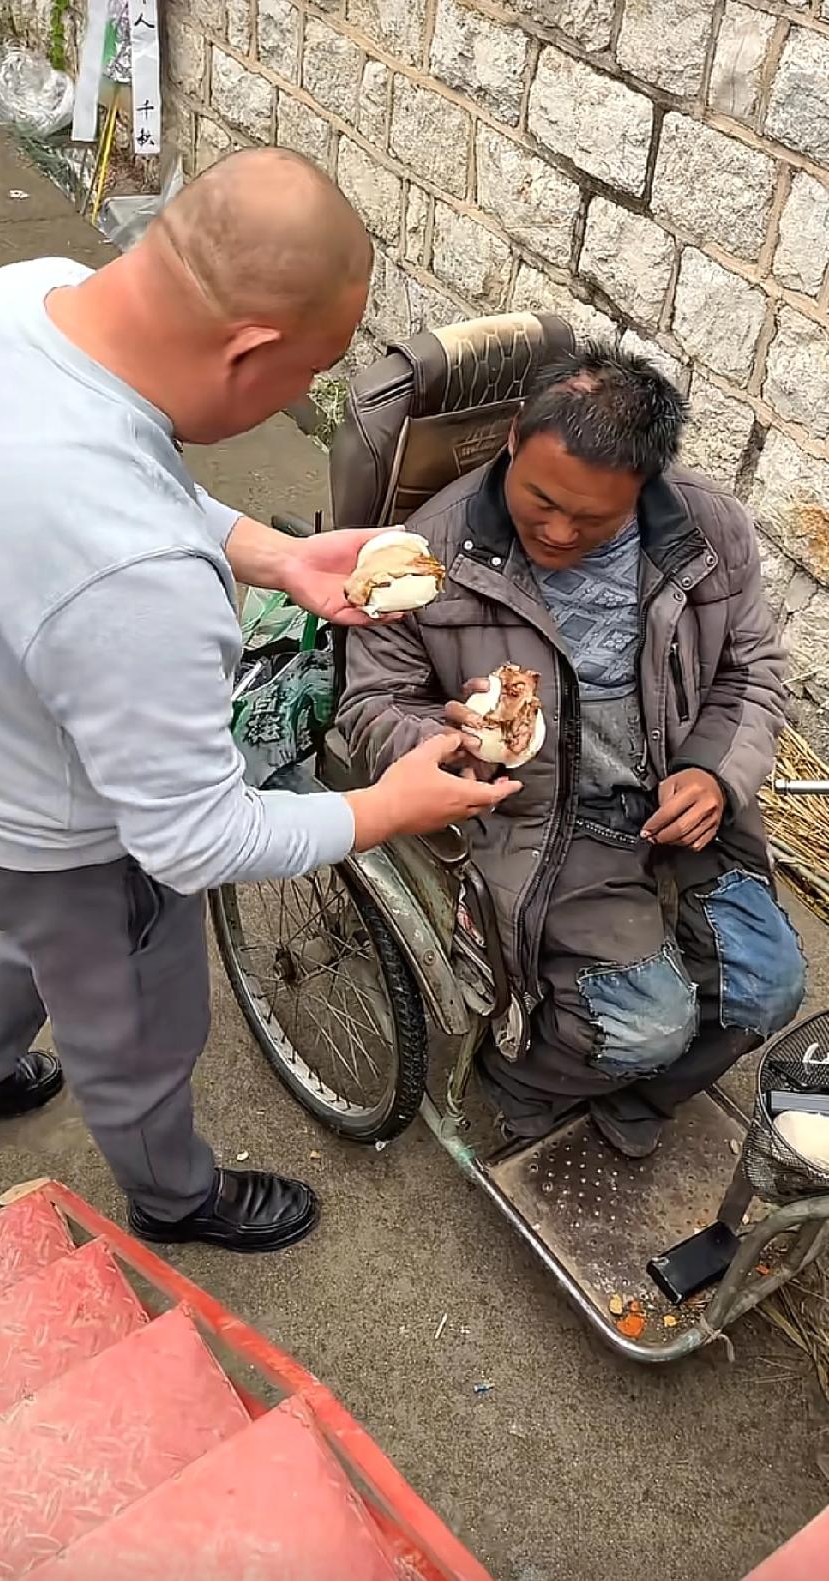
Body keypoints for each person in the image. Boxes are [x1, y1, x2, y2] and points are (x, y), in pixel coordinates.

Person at [0, 148, 519, 1251]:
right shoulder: (133, 584)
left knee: (37, 941)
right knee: (136, 1034)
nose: (307, 399)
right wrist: (390, 808)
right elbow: (191, 838)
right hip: (70, 833)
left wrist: (264, 554)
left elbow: (123, 468)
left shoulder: (10, 305)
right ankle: (174, 1198)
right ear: (249, 350)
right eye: (310, 375)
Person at [338, 345, 806, 1159]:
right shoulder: (428, 553)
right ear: (516, 437)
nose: (558, 532)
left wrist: (715, 774)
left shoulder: (707, 529)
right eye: (541, 502)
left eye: (594, 521)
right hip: (541, 820)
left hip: (674, 806)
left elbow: (754, 672)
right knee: (646, 1023)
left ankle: (638, 1096)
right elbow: (373, 702)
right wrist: (452, 750)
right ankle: (526, 1081)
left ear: (646, 485)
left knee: (769, 989)